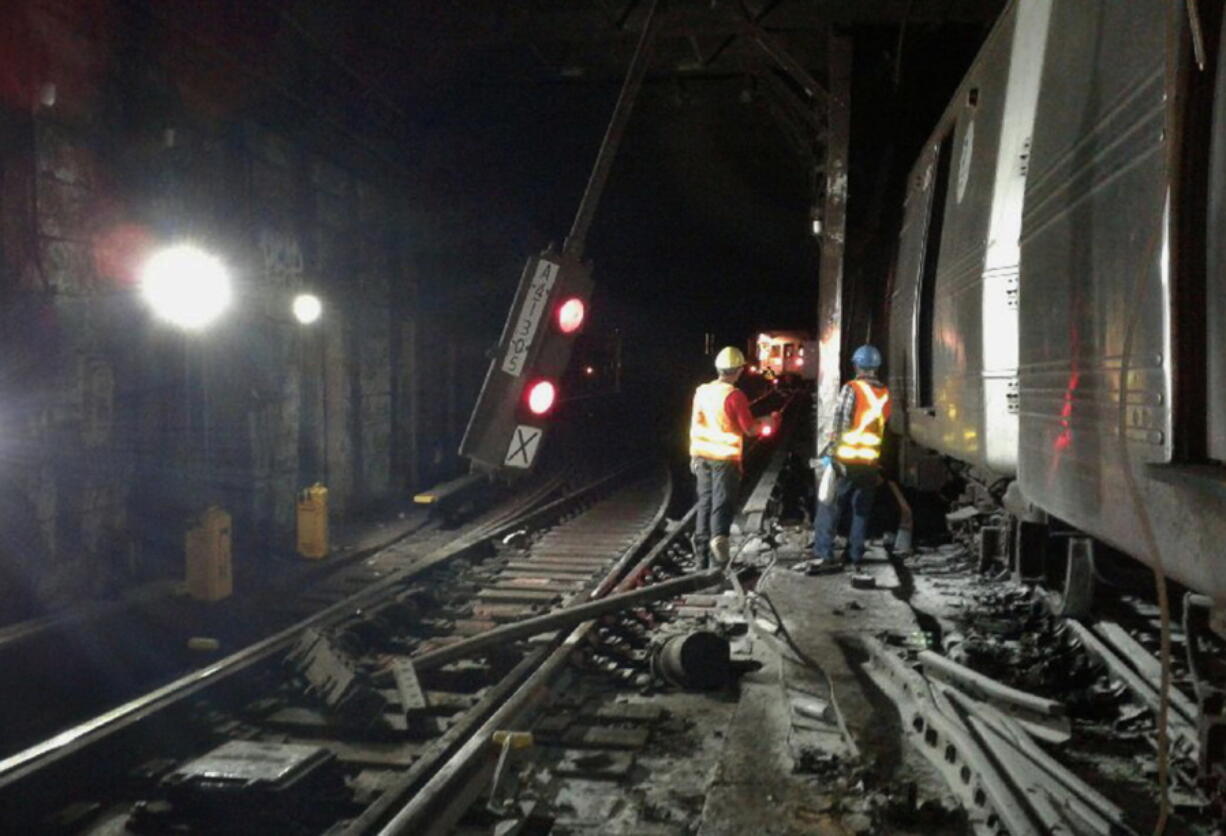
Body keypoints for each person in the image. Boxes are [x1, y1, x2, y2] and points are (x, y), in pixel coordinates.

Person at [689, 346, 777, 569]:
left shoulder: (702, 391)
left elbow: (695, 423)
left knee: (705, 503)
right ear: (738, 370)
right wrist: (770, 422)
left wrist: (693, 455)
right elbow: (749, 429)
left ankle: (701, 557)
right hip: (723, 459)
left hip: (701, 456)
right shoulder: (734, 395)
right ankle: (718, 561)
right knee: (721, 505)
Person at [813, 344, 892, 569]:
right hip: (870, 462)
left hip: (847, 460)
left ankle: (824, 553)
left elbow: (841, 424)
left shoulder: (851, 388)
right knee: (861, 510)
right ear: (876, 367)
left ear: (857, 365)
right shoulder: (884, 394)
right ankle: (855, 555)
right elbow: (881, 426)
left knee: (829, 505)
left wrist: (831, 454)